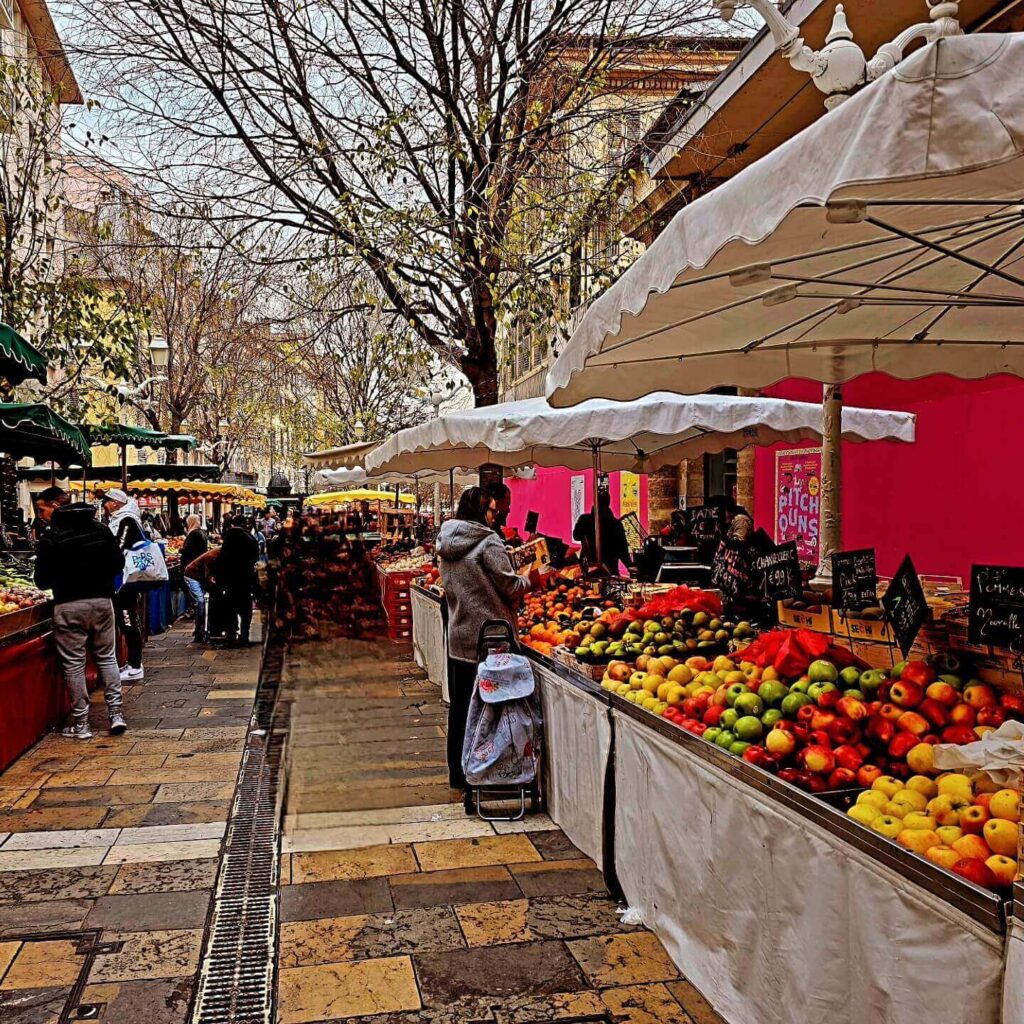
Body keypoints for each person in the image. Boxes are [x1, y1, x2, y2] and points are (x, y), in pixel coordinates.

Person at [436, 486, 530, 803]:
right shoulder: (487, 541)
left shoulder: (446, 544)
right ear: (480, 512)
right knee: (493, 711)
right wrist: (533, 580)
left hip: (458, 637)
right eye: (491, 511)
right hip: (490, 641)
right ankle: (490, 770)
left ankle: (458, 773)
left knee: (462, 707)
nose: (495, 516)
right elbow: (509, 584)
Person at [34, 487, 128, 739]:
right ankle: (116, 714)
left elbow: (41, 582)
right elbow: (118, 563)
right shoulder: (100, 530)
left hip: (68, 605)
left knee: (74, 664)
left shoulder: (51, 538)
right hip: (101, 601)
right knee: (107, 657)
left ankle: (81, 724)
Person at [102, 488, 147, 682]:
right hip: (124, 578)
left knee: (127, 620)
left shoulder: (126, 520)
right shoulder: (122, 519)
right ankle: (132, 663)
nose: (104, 505)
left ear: (115, 503)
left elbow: (119, 548)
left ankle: (136, 665)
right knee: (126, 621)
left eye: (106, 501)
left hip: (125, 580)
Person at [218, 514, 259, 645]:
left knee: (231, 607)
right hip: (246, 578)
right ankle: (244, 635)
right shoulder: (251, 538)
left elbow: (223, 558)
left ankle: (231, 635)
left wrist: (221, 578)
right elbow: (255, 558)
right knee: (246, 609)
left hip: (231, 578)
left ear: (232, 524)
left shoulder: (229, 536)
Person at [573, 490, 632, 576]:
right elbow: (623, 550)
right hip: (610, 569)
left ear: (595, 501)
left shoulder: (585, 519)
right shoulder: (615, 523)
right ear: (608, 503)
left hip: (589, 567)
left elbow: (576, 536)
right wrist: (630, 566)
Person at [180, 514, 209, 642]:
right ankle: (199, 628)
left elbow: (187, 550)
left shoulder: (193, 534)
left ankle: (199, 629)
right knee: (199, 599)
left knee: (198, 601)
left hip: (192, 569)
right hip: (199, 570)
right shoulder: (201, 533)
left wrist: (181, 549)